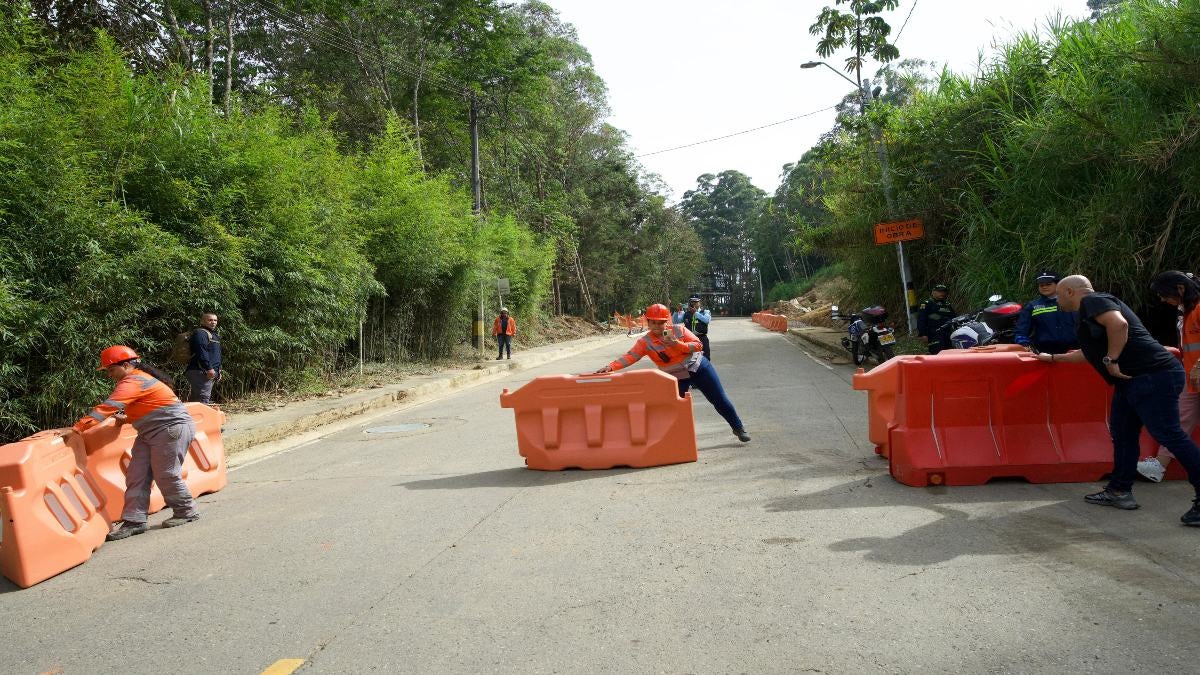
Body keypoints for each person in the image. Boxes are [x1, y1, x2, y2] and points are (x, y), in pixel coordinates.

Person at [1033, 275, 1200, 524]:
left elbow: (1118, 325)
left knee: (1170, 435)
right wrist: (1054, 358)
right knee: (1122, 433)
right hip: (1133, 380)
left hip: (1152, 376)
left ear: (1069, 291)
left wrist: (1111, 360)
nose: (1057, 301)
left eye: (1058, 295)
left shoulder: (1094, 301)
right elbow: (1089, 353)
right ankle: (1119, 491)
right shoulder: (1091, 310)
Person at [73, 345, 200, 540]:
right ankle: (134, 520)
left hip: (170, 429)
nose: (109, 374)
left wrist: (77, 428)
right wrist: (128, 419)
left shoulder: (134, 380)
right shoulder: (138, 379)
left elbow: (109, 407)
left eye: (110, 369)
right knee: (136, 474)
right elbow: (150, 406)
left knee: (166, 474)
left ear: (124, 365)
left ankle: (186, 511)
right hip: (151, 430)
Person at [593, 303, 750, 443]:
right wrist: (611, 367)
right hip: (677, 378)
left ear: (666, 322)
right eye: (652, 322)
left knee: (719, 400)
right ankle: (673, 439)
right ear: (648, 322)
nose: (656, 326)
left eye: (660, 323)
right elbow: (630, 357)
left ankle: (738, 428)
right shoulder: (645, 342)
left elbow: (698, 345)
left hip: (699, 368)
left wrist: (676, 344)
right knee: (674, 408)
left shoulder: (678, 330)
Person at [1137, 271, 1200, 482]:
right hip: (1191, 377)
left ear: (1181, 288)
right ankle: (1158, 466)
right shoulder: (1187, 311)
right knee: (1180, 420)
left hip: (1195, 373)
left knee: (1180, 420)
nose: (1163, 300)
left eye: (1165, 294)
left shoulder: (1198, 308)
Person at [1014, 269, 1078, 354]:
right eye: (1041, 285)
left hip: (1074, 351)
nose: (1044, 287)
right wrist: (1025, 345)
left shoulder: (1072, 302)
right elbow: (1021, 331)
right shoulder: (1032, 306)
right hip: (1045, 353)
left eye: (1048, 284)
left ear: (1058, 285)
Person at [185, 312, 221, 404]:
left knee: (196, 400)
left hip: (208, 372)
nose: (213, 322)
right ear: (202, 321)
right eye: (210, 320)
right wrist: (209, 368)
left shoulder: (213, 335)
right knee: (202, 400)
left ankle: (190, 418)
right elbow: (202, 352)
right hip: (200, 371)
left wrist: (218, 371)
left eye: (215, 320)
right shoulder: (200, 333)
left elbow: (214, 355)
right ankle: (198, 418)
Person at [916, 284, 956, 354]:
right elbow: (921, 319)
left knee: (949, 353)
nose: (942, 293)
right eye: (939, 291)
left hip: (948, 332)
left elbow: (954, 318)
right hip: (934, 333)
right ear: (933, 292)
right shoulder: (927, 303)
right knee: (937, 352)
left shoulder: (947, 304)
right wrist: (922, 334)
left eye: (944, 291)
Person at [682, 295, 712, 360]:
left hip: (702, 338)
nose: (694, 304)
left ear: (699, 303)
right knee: (690, 360)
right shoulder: (686, 314)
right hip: (690, 339)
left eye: (696, 302)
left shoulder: (705, 312)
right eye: (692, 302)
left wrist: (696, 313)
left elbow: (706, 320)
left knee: (705, 358)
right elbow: (677, 321)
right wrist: (677, 311)